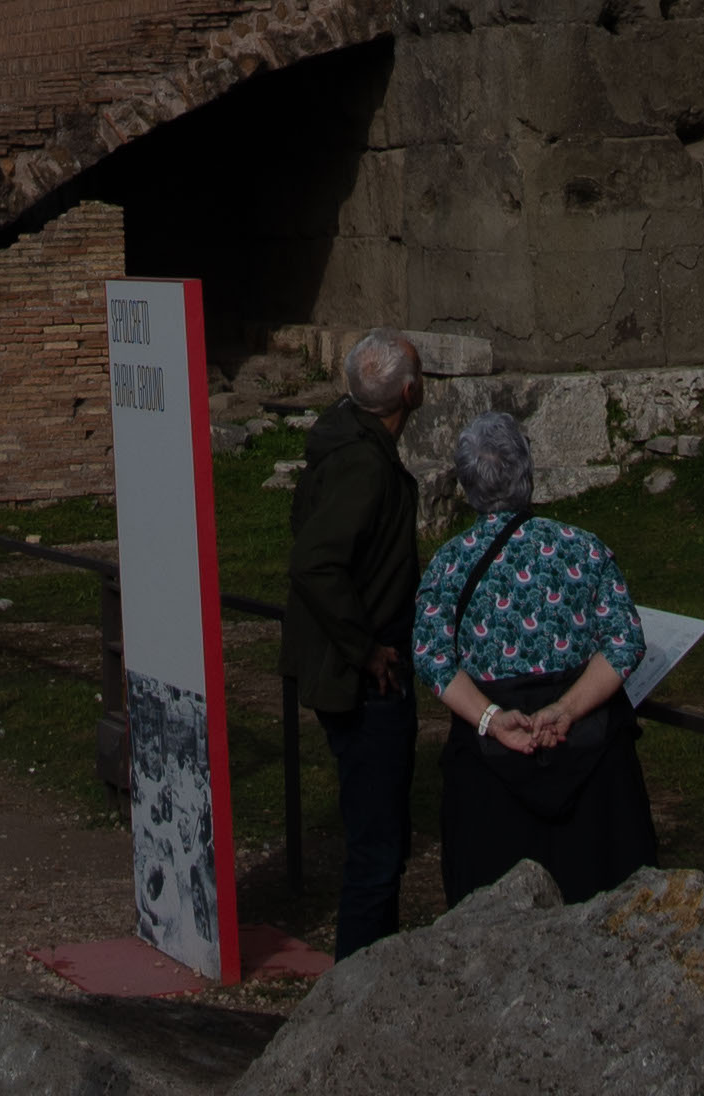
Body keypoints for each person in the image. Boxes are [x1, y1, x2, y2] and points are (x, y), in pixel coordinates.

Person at [415, 405, 651, 908]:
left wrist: (492, 719)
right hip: (588, 754)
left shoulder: (448, 562)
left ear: (466, 483)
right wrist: (564, 711)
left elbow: (432, 657)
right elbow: (625, 641)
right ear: (528, 473)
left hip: (491, 762)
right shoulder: (584, 549)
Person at [285, 333, 428, 958]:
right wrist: (367, 649)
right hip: (366, 679)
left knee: (377, 838)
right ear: (408, 391)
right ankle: (360, 984)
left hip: (352, 667)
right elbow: (315, 563)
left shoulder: (347, 440)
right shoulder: (363, 466)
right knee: (377, 851)